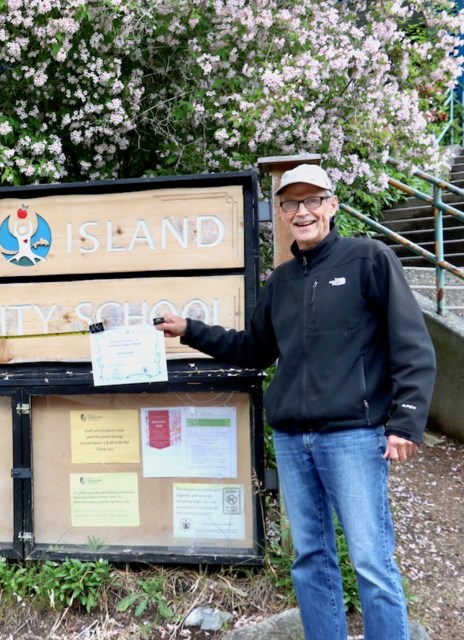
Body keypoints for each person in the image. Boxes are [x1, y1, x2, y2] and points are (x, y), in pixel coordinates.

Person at [155, 164, 435, 640]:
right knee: (310, 558)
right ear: (282, 214)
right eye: (291, 204)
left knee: (370, 558)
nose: (302, 212)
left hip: (354, 435)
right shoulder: (281, 281)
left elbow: (411, 344)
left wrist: (405, 422)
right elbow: (255, 349)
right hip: (292, 439)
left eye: (312, 201)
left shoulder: (369, 259)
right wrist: (190, 330)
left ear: (332, 204)